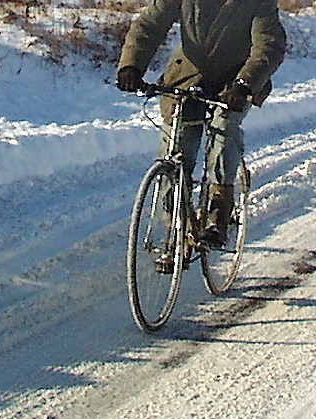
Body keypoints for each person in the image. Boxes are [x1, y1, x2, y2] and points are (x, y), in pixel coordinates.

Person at [116, 0, 286, 248]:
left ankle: (218, 209)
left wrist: (245, 84)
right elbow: (150, 24)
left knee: (224, 130)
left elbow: (269, 45)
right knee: (176, 145)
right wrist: (131, 65)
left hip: (235, 82)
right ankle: (175, 222)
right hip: (187, 76)